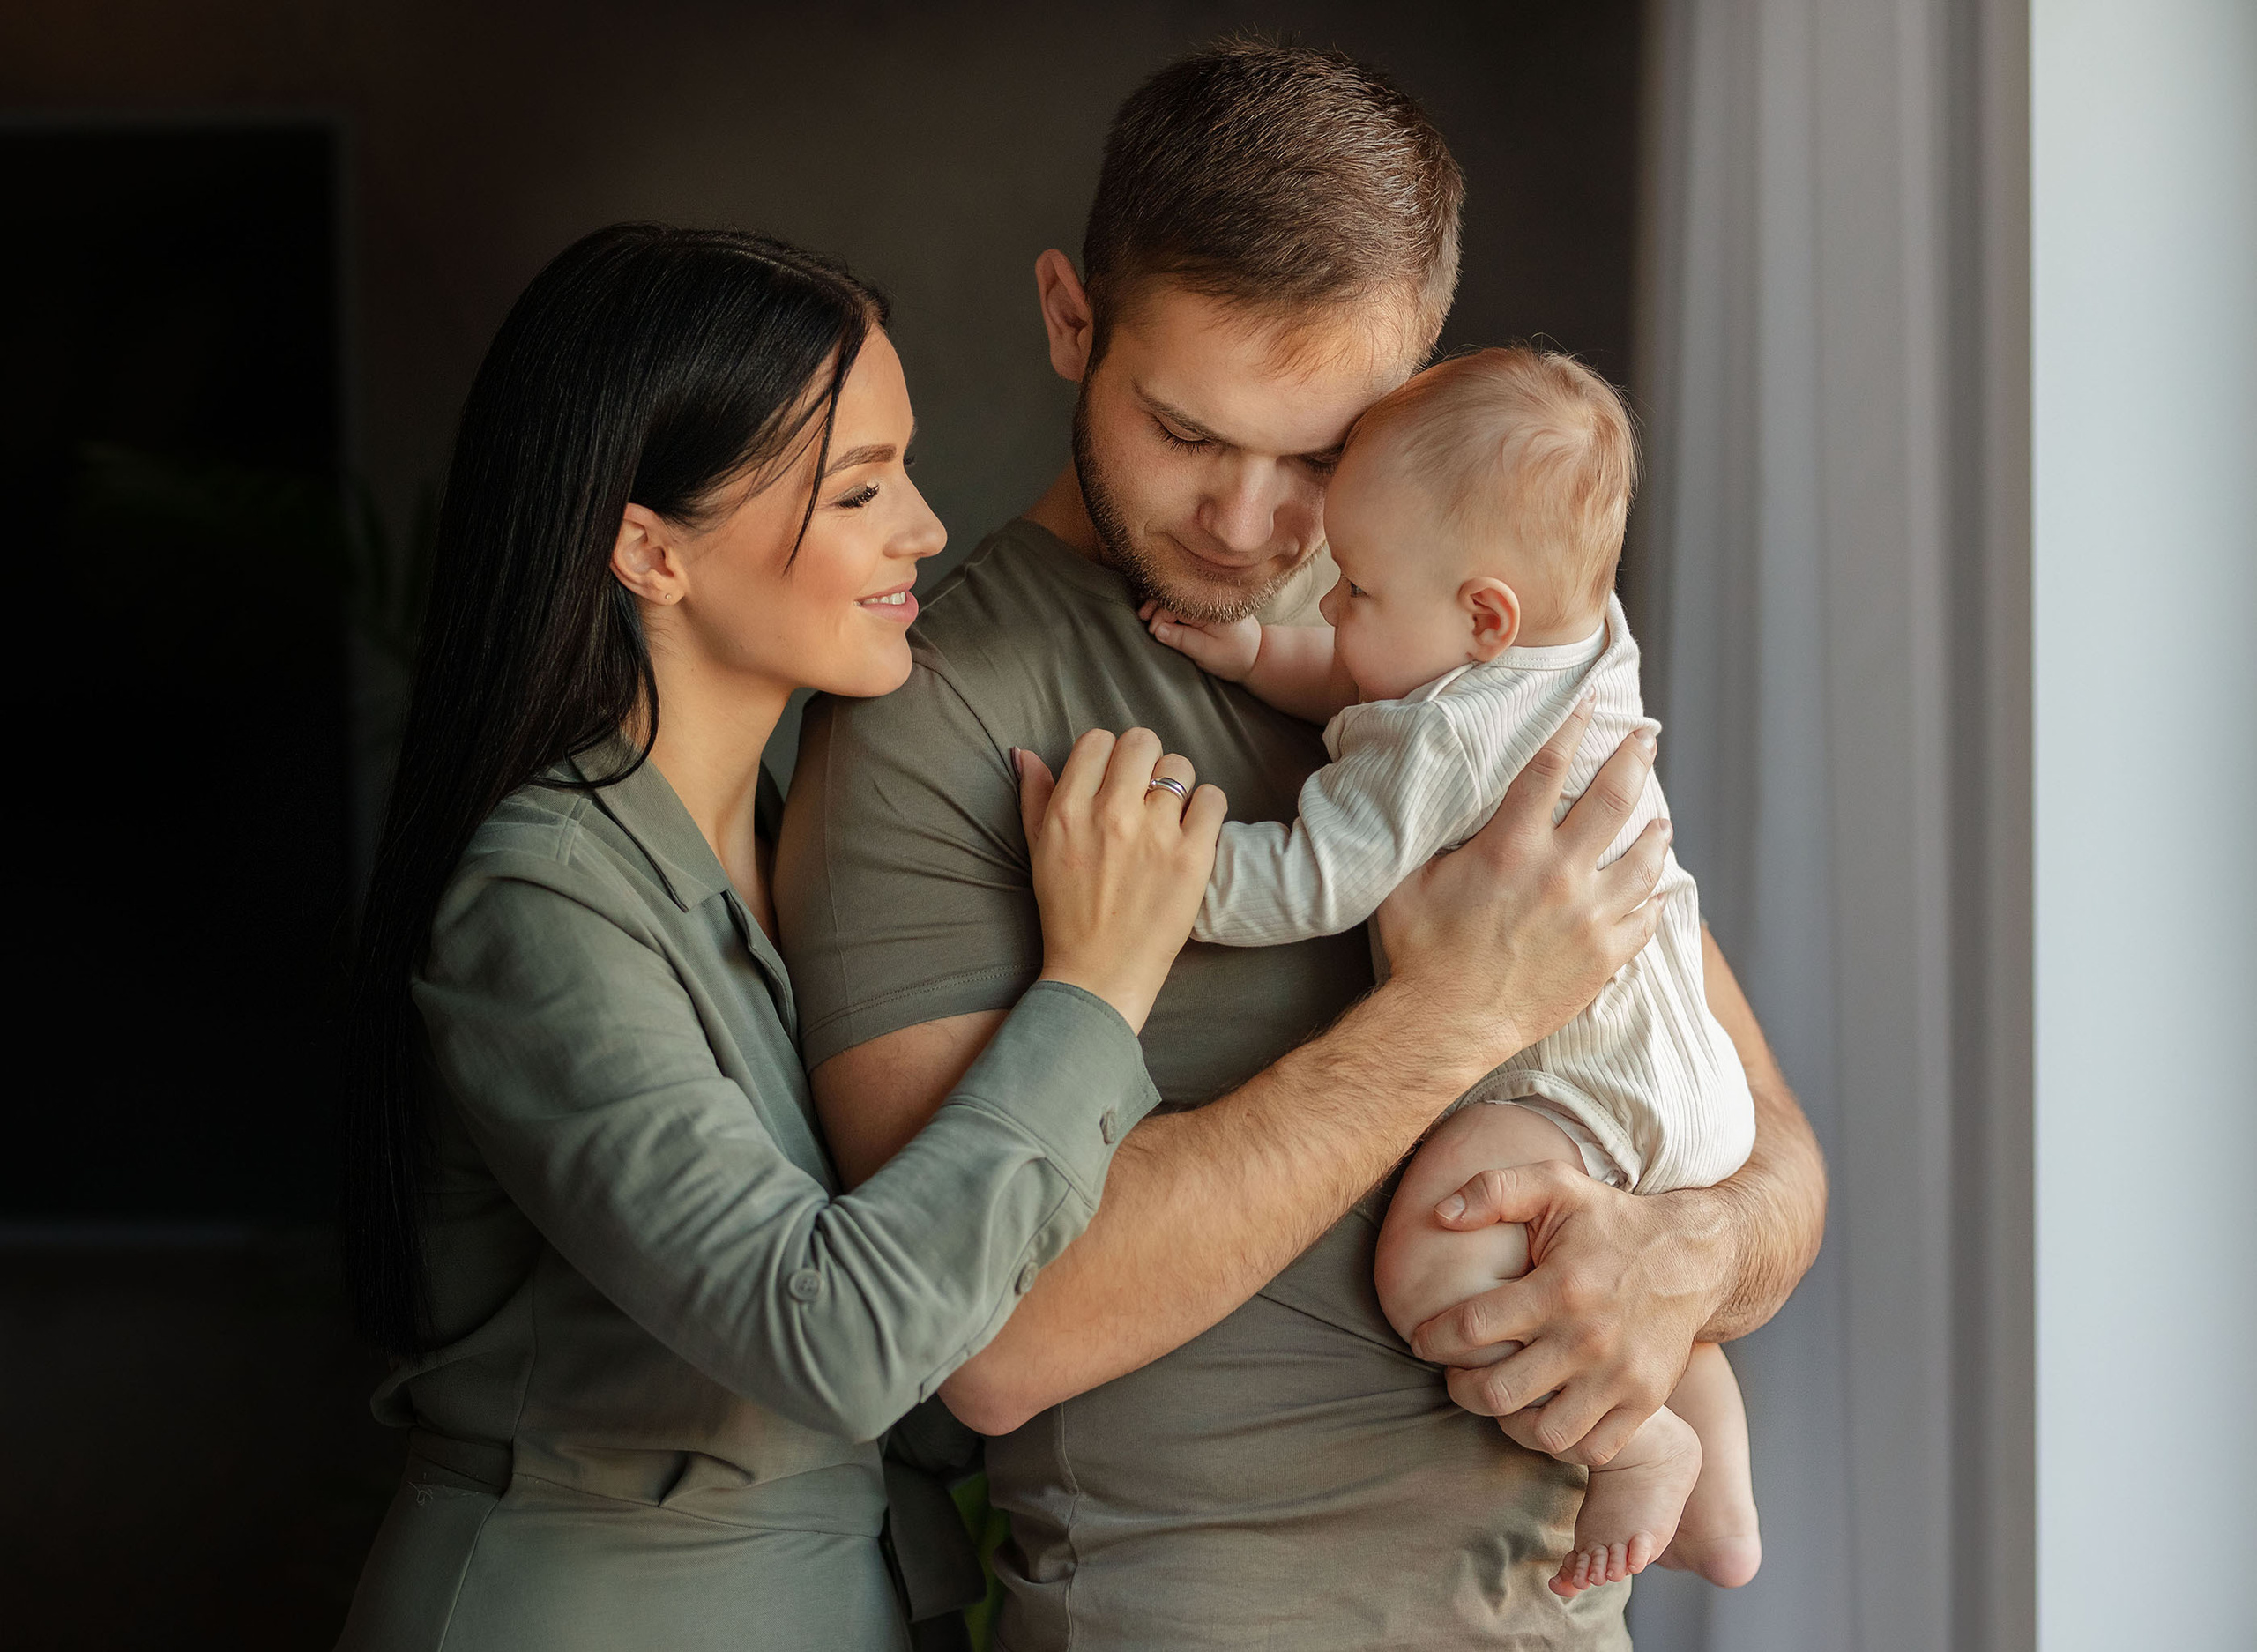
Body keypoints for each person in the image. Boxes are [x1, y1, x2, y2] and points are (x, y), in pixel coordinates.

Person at [778, 41, 1826, 1648]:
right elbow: (986, 1341)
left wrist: (1681, 1257)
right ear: (1072, 319)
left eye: (1323, 455)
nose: (1255, 528)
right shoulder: (940, 718)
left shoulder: (1479, 662)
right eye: (1188, 433)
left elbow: (1771, 1154)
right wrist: (1452, 1017)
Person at [333, 223, 1240, 1650]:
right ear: (649, 547)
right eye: (860, 488)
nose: (926, 528)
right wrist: (1097, 983)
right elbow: (837, 1336)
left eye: (907, 468)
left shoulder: (778, 835)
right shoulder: (540, 899)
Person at [1146, 346, 1764, 1600]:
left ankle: (1636, 1440)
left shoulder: (1439, 742)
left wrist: (1170, 867)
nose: (1333, 606)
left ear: (1481, 615)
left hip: (1576, 1084)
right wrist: (1257, 652)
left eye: (1356, 587)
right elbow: (1364, 668)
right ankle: (1727, 1509)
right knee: (1655, 1289)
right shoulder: (1577, 640)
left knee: (1435, 1251)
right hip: (1690, 1070)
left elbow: (1311, 877)